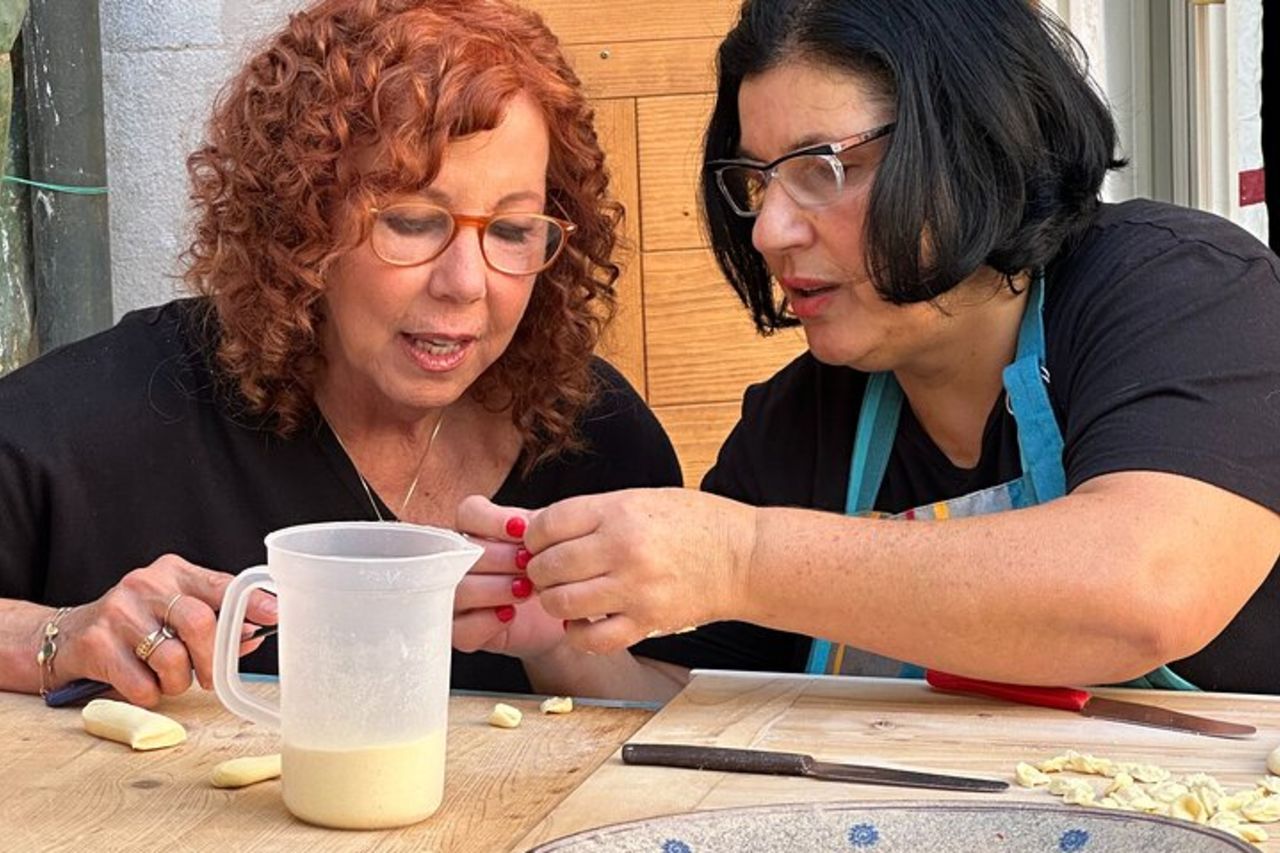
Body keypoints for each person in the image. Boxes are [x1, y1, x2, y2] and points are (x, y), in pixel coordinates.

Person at [459, 0, 1280, 696]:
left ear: (971, 140)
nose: (772, 230)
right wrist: (561, 641)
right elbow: (701, 706)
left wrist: (743, 555)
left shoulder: (1181, 291)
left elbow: (1144, 589)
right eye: (757, 182)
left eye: (820, 167)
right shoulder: (800, 423)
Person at [0, 0, 681, 707]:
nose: (466, 284)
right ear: (299, 223)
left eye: (512, 231)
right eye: (414, 222)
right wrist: (53, 636)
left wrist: (561, 646)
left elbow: (700, 710)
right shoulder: (120, 409)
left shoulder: (598, 442)